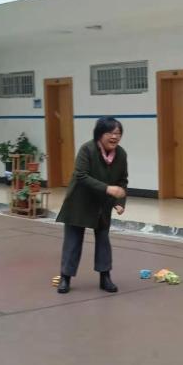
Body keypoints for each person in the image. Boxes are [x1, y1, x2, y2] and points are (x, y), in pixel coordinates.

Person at [55, 117, 128, 294]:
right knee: (73, 241)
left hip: (102, 204)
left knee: (103, 240)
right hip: (79, 201)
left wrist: (119, 202)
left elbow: (122, 180)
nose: (114, 137)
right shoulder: (87, 149)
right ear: (99, 134)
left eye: (118, 133)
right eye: (110, 133)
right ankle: (65, 277)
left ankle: (105, 277)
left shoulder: (121, 154)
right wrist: (108, 188)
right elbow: (81, 175)